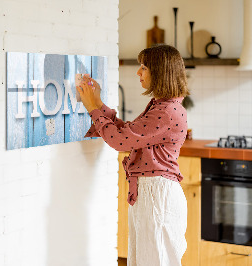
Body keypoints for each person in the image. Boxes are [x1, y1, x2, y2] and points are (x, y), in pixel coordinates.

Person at [77, 44, 189, 266]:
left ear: (160, 72)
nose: (138, 72)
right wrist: (98, 103)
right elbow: (128, 133)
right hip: (152, 193)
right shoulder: (162, 106)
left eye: (144, 67)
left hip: (157, 196)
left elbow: (120, 141)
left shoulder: (166, 111)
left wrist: (93, 109)